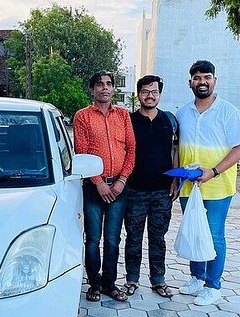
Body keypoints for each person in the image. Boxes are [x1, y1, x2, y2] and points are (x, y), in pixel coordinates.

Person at [176, 60, 240, 306]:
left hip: (217, 186)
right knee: (194, 231)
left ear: (214, 80)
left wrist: (214, 171)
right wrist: (175, 180)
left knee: (214, 234)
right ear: (190, 83)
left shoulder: (229, 112)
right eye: (197, 78)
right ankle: (197, 277)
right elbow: (177, 147)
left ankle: (213, 285)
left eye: (206, 77)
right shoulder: (182, 113)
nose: (202, 82)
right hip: (189, 186)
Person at [74, 70, 136, 302]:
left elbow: (130, 150)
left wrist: (121, 181)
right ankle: (93, 284)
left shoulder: (123, 116)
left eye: (109, 84)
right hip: (93, 189)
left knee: (112, 239)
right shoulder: (83, 116)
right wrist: (98, 182)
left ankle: (110, 284)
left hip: (119, 188)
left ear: (113, 89)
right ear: (92, 89)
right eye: (99, 84)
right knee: (92, 240)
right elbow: (82, 151)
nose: (105, 88)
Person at [123, 75, 179, 298]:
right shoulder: (128, 120)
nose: (150, 95)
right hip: (135, 189)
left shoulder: (169, 120)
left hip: (162, 191)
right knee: (133, 237)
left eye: (154, 91)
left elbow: (175, 150)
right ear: (138, 95)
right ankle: (131, 279)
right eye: (145, 91)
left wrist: (175, 179)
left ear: (160, 94)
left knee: (158, 237)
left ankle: (158, 280)